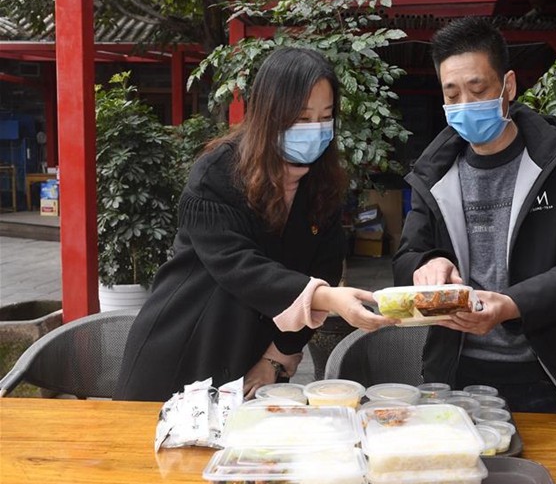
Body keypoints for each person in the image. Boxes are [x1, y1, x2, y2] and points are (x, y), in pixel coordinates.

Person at [115, 47, 395, 402]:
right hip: (185, 346)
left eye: (325, 117)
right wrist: (326, 297)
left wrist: (276, 357)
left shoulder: (321, 182)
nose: (315, 130)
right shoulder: (218, 172)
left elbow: (324, 266)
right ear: (268, 114)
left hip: (254, 359)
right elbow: (239, 265)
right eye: (302, 117)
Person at [393, 18, 556, 440]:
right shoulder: (434, 172)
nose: (465, 104)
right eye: (452, 94)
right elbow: (406, 257)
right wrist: (428, 264)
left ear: (508, 86)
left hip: (548, 375)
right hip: (456, 372)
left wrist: (510, 305)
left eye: (477, 90)